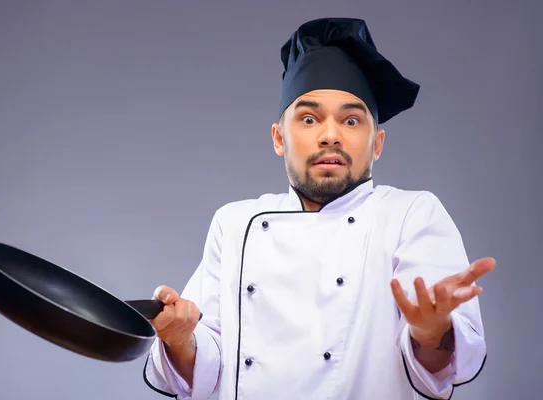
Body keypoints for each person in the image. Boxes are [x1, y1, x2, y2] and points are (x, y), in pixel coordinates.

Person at [142, 17, 494, 400]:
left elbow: (440, 365)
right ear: (279, 138)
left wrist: (432, 332)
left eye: (351, 120)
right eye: (309, 119)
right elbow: (206, 367)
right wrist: (179, 339)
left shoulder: (411, 214)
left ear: (376, 144)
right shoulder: (234, 222)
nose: (330, 135)